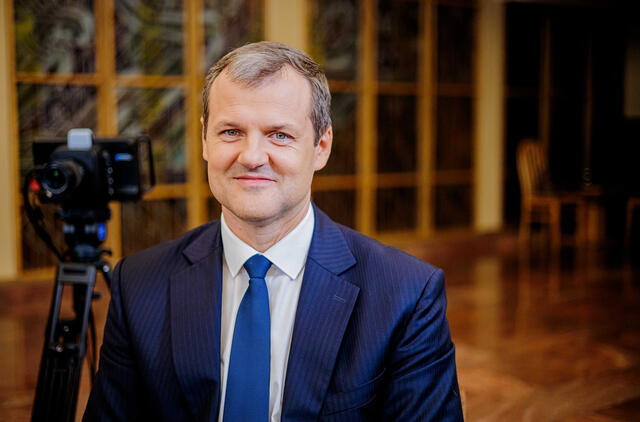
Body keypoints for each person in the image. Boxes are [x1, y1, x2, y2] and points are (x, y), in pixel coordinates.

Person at [84, 41, 463, 422]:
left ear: (321, 146)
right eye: (231, 131)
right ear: (204, 140)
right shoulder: (139, 284)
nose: (251, 156)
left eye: (279, 135)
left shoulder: (405, 294)